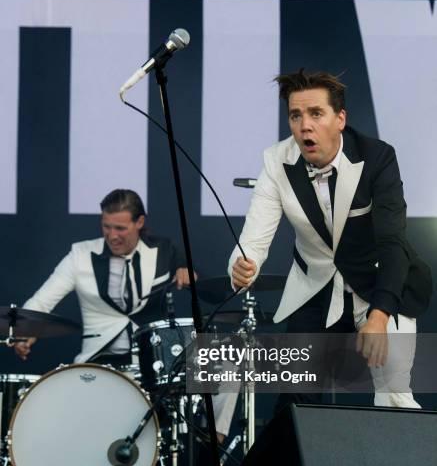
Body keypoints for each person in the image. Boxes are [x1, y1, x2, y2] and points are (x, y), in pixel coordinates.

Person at [229, 69, 432, 410]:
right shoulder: (276, 161)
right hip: (316, 287)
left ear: (340, 119)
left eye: (315, 114)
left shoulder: (377, 157)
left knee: (395, 397)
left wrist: (380, 315)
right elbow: (254, 236)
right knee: (295, 403)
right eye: (295, 115)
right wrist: (243, 264)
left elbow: (392, 242)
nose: (304, 125)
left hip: (378, 284)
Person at [14, 189, 234, 438]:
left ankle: (211, 454)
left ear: (139, 222)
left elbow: (213, 292)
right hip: (99, 363)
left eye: (120, 228)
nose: (112, 236)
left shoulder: (164, 250)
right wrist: (25, 331)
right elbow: (41, 303)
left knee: (229, 360)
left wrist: (192, 276)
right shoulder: (81, 255)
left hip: (155, 366)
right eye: (106, 227)